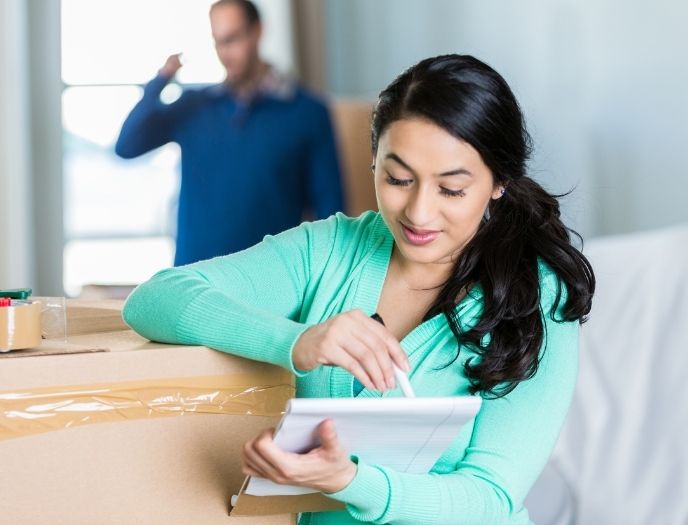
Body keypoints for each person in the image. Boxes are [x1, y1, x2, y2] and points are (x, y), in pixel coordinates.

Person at [122, 54, 595, 524]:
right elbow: (157, 299)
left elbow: (490, 497)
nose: (419, 212)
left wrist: (350, 481)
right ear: (373, 162)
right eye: (398, 179)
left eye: (451, 189)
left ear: (499, 183)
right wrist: (296, 341)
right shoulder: (329, 249)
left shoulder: (537, 296)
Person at [115, 0, 344, 266]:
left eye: (232, 39)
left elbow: (332, 214)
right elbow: (127, 146)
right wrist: (161, 79)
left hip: (270, 284)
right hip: (192, 281)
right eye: (218, 41)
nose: (225, 53)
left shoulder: (307, 112)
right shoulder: (194, 106)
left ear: (258, 31)